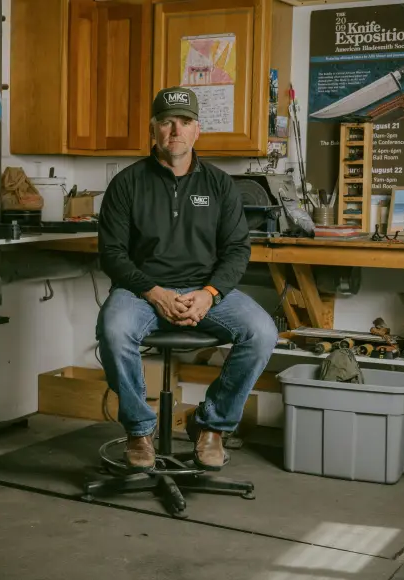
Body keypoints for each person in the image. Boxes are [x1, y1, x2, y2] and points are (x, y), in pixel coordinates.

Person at [96, 86, 278, 471]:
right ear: (153, 129)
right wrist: (154, 291)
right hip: (140, 291)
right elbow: (111, 254)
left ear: (198, 131)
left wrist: (210, 294)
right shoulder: (126, 184)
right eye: (166, 121)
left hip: (205, 291)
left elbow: (236, 250)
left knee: (261, 331)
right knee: (113, 330)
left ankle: (211, 426)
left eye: (185, 122)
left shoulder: (219, 185)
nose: (175, 130)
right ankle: (139, 431)